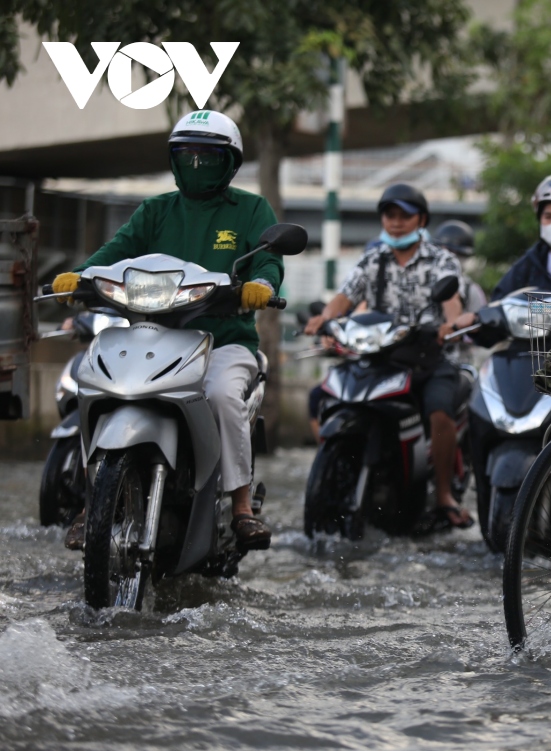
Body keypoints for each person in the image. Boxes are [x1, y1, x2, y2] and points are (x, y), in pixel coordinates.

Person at [52, 110, 282, 551]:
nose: (197, 163)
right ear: (175, 160)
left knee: (220, 397)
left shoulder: (252, 209)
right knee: (94, 385)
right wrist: (79, 276)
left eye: (208, 155)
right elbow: (116, 251)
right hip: (152, 337)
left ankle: (240, 507)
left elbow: (268, 259)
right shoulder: (155, 210)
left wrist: (262, 285)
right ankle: (91, 501)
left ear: (229, 162)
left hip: (225, 341)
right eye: (187, 154)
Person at [304, 183, 473, 529]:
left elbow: (452, 301)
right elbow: (345, 297)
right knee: (329, 396)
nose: (396, 223)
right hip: (379, 356)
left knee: (440, 412)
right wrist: (325, 319)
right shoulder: (373, 258)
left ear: (421, 219)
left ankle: (443, 494)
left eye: (405, 216)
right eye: (389, 215)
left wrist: (450, 324)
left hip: (427, 356)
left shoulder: (442, 260)